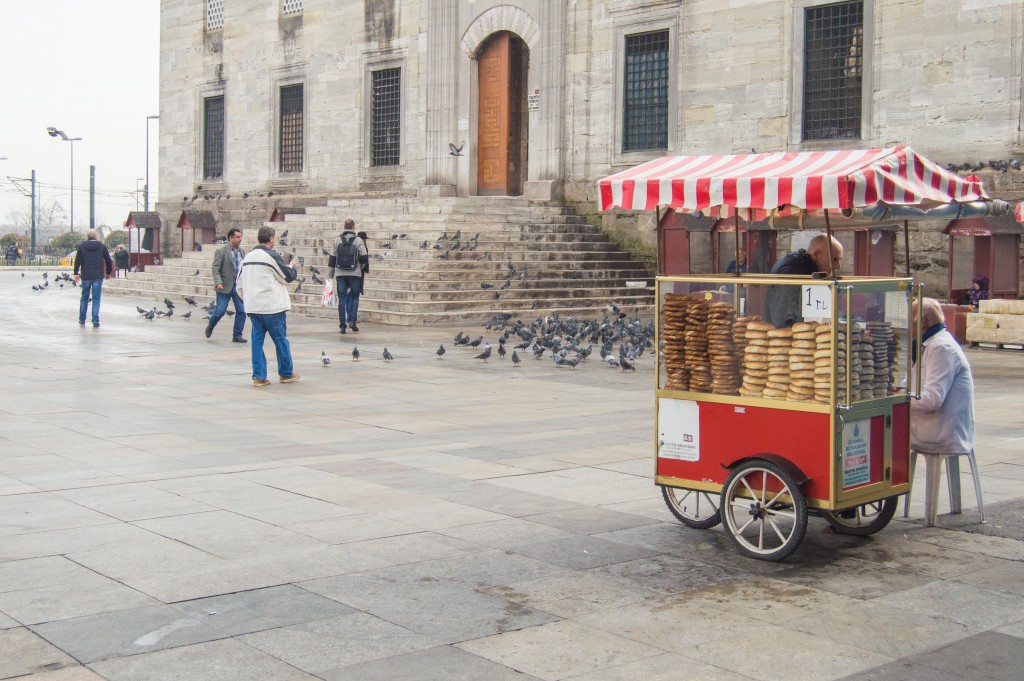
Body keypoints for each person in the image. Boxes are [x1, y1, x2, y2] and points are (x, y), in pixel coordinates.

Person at [236, 226, 300, 386]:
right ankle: (286, 373)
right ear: (271, 238)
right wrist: (292, 267)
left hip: (253, 308)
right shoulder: (270, 256)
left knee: (257, 342)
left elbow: (238, 286)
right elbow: (286, 277)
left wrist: (249, 300)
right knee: (280, 340)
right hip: (272, 307)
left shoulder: (247, 258)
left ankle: (259, 376)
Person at [910, 297, 975, 455]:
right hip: (933, 426)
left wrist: (898, 399)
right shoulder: (928, 344)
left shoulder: (941, 348)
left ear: (923, 321)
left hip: (942, 432)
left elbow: (932, 400)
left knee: (883, 434)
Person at [764, 234, 844, 327]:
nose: (838, 266)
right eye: (834, 259)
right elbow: (782, 319)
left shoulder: (804, 269)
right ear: (816, 254)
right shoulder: (792, 273)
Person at [206, 228, 247, 343]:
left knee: (242, 311)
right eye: (238, 237)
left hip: (238, 287)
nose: (240, 239)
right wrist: (218, 281)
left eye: (241, 237)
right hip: (224, 285)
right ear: (231, 238)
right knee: (220, 310)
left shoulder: (242, 252)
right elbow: (215, 268)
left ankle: (237, 335)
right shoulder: (221, 251)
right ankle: (210, 326)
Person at [327, 219, 368, 333]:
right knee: (355, 297)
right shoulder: (358, 240)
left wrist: (330, 275)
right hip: (354, 273)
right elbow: (364, 257)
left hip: (340, 273)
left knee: (342, 299)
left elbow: (332, 259)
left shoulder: (337, 240)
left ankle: (342, 325)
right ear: (353, 227)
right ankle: (352, 321)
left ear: (344, 227)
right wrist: (360, 267)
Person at [73, 229, 114, 327]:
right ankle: (95, 320)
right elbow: (108, 260)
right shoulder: (101, 246)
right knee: (96, 298)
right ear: (96, 236)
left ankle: (82, 319)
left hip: (86, 276)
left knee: (84, 297)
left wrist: (76, 273)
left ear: (87, 236)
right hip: (97, 276)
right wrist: (108, 273)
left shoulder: (82, 246)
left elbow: (77, 260)